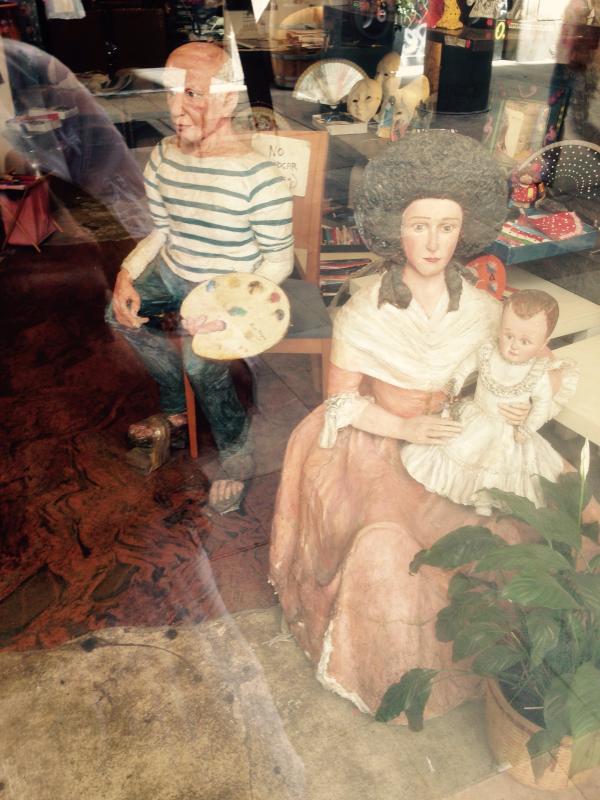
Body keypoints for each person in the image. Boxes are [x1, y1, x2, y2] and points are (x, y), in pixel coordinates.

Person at [268, 130, 580, 720]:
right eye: (419, 225)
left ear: (464, 231)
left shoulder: (487, 310)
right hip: (378, 439)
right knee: (386, 546)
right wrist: (404, 428)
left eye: (447, 226)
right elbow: (340, 403)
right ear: (397, 229)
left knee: (514, 523)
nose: (434, 242)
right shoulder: (365, 310)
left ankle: (518, 659)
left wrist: (522, 399)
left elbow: (523, 363)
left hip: (463, 441)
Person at [105, 42, 293, 512]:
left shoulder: (260, 177)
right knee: (117, 315)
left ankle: (237, 454)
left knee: (199, 362)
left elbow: (278, 262)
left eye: (192, 94)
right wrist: (127, 273)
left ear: (227, 100)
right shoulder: (164, 157)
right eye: (170, 93)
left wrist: (226, 309)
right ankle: (176, 408)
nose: (176, 108)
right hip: (174, 272)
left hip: (230, 288)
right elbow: (161, 232)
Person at [402, 289, 578, 515]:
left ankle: (486, 502)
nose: (514, 345)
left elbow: (542, 405)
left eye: (525, 341)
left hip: (507, 431)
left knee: (497, 464)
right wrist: (455, 382)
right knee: (459, 451)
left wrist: (527, 427)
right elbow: (466, 366)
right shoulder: (487, 352)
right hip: (476, 417)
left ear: (544, 342)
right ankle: (462, 495)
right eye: (508, 335)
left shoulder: (537, 373)